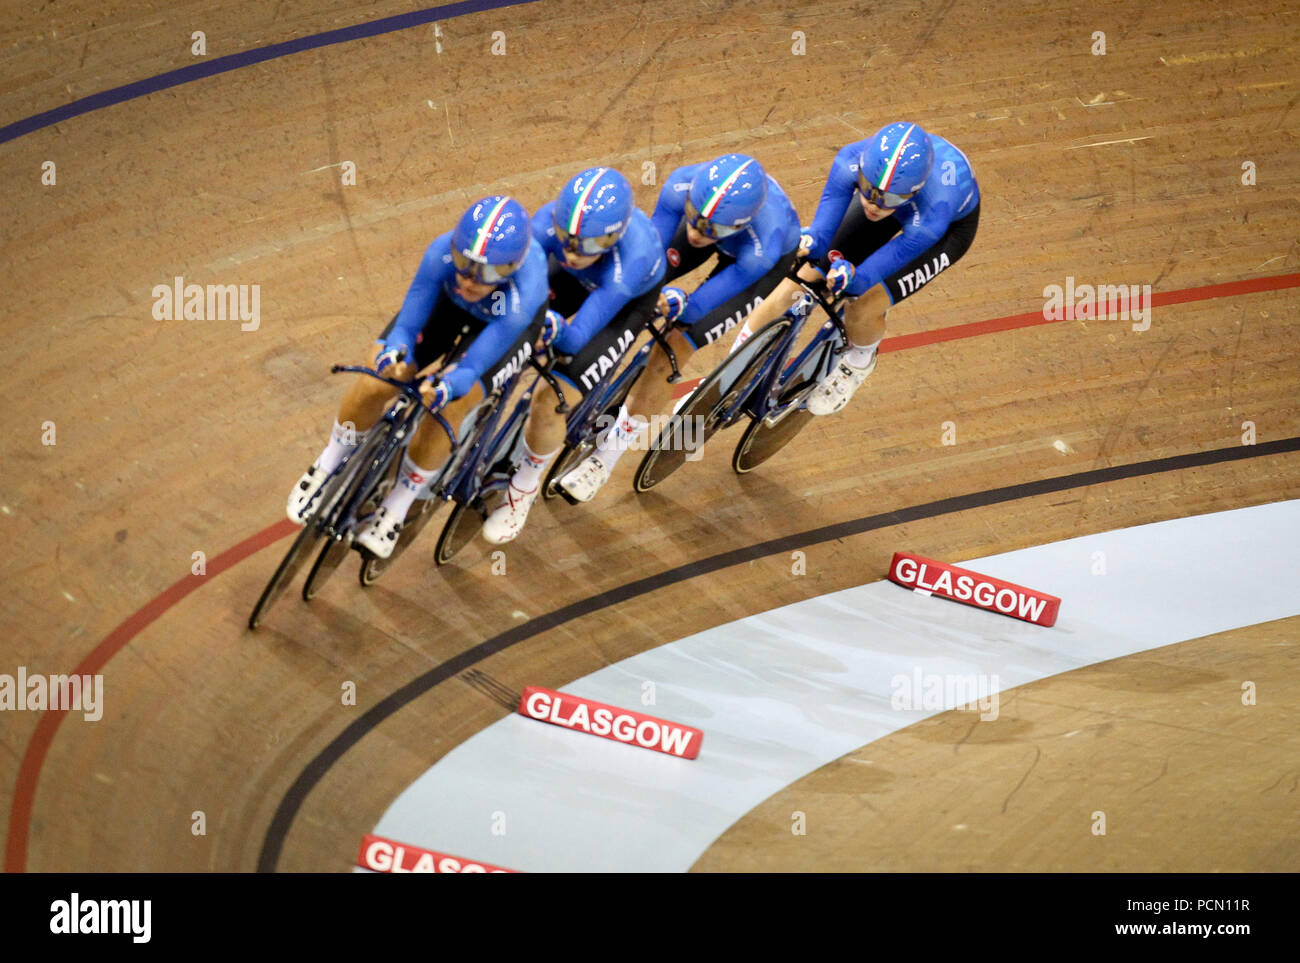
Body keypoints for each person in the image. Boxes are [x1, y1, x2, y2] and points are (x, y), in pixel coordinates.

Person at [285, 195, 553, 559]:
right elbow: (407, 326)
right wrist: (396, 353)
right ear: (455, 249)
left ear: (510, 268)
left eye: (487, 273)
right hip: (449, 308)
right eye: (464, 264)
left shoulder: (526, 291)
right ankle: (328, 463)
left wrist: (448, 386)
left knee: (449, 408)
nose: (471, 280)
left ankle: (397, 506)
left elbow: (473, 367)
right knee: (376, 379)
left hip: (497, 330)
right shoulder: (440, 252)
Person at [557, 152, 801, 502]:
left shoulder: (763, 248)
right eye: (694, 217)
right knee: (633, 294)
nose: (697, 232)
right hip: (728, 226)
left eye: (710, 228)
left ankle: (604, 459)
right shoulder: (680, 188)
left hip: (756, 264)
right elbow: (647, 262)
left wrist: (675, 305)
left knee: (673, 344)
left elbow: (699, 305)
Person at [736, 121, 980, 415]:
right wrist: (810, 243)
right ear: (862, 171)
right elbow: (821, 235)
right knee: (800, 279)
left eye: (888, 199)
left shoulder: (933, 214)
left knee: (862, 302)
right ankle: (728, 375)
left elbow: (863, 279)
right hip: (906, 197)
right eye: (867, 190)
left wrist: (852, 277)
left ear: (913, 192)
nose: (874, 205)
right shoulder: (850, 161)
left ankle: (859, 361)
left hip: (947, 230)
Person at [479, 167, 665, 544]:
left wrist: (554, 330)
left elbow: (578, 335)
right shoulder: (551, 228)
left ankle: (523, 491)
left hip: (620, 303)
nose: (573, 251)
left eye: (587, 245)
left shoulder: (635, 257)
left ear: (613, 237)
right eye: (566, 238)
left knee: (552, 397)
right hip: (572, 280)